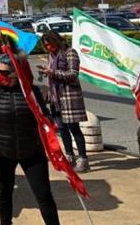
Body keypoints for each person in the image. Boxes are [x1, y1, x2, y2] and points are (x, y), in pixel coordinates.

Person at [0, 50, 60, 225]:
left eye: (5, 73)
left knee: (43, 194)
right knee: (4, 193)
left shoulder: (31, 91)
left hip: (32, 151)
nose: (0, 76)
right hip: (1, 152)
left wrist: (48, 123)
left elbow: (45, 116)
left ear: (16, 73)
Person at [37, 31, 89, 173]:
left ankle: (83, 159)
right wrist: (45, 72)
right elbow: (52, 72)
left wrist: (52, 73)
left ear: (56, 41)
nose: (48, 48)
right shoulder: (51, 55)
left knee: (74, 128)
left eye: (50, 44)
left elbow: (73, 74)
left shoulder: (69, 52)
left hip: (68, 96)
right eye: (46, 46)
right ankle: (69, 156)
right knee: (62, 129)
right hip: (56, 97)